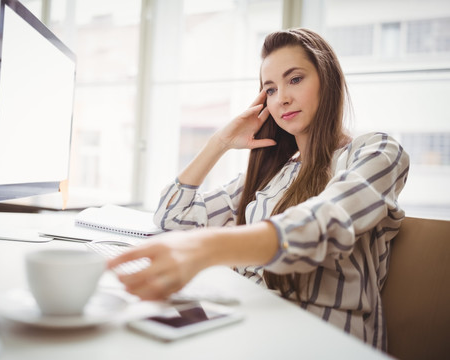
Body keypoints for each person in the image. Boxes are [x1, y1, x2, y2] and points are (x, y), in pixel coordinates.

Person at [108, 28, 409, 350]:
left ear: (328, 80)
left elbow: (325, 221)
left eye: (295, 79)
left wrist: (205, 249)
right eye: (270, 89)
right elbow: (172, 214)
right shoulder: (275, 173)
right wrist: (219, 143)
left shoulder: (376, 151)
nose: (282, 98)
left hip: (319, 339)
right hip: (249, 324)